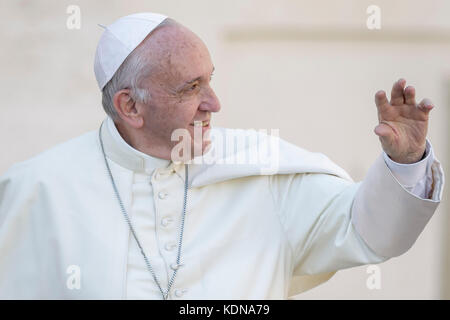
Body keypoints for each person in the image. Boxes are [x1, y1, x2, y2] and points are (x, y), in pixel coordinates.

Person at [0, 12, 444, 299]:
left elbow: (369, 232)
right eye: (191, 88)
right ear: (130, 107)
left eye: (209, 80)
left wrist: (405, 163)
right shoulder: (38, 191)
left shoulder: (260, 169)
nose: (214, 103)